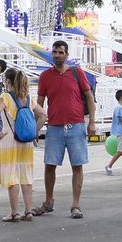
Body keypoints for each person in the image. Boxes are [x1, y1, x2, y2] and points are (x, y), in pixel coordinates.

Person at [34, 39, 94, 219]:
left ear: (67, 55)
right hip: (54, 127)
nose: (57, 55)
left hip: (76, 125)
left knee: (77, 165)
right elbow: (39, 103)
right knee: (50, 165)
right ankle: (48, 201)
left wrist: (92, 121)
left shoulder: (77, 72)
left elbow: (89, 97)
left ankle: (76, 205)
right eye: (55, 52)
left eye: (60, 52)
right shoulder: (45, 76)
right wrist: (35, 128)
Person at [0, 67, 37, 221]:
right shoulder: (28, 98)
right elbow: (43, 114)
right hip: (26, 141)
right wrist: (34, 132)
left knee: (12, 176)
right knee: (26, 175)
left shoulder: (5, 97)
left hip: (9, 139)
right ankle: (29, 211)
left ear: (8, 81)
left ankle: (15, 212)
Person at [105, 90, 122, 177]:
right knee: (121, 151)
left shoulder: (121, 108)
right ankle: (109, 166)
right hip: (121, 132)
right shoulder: (119, 108)